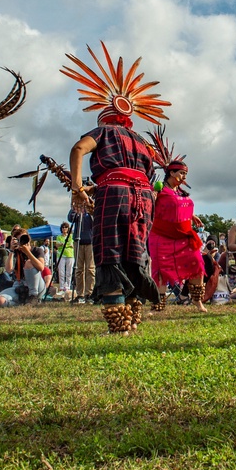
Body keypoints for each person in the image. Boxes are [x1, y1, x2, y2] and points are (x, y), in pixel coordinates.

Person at [64, 42, 166, 335]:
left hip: (116, 196)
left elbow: (78, 148)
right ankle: (132, 319)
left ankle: (118, 323)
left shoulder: (104, 131)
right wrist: (97, 187)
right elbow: (143, 178)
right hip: (143, 198)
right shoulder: (143, 143)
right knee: (135, 253)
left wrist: (76, 187)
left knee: (110, 252)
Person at [147, 158, 207, 313]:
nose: (184, 176)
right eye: (181, 173)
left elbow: (178, 208)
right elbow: (153, 206)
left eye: (186, 173)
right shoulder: (159, 189)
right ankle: (158, 305)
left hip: (183, 236)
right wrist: (152, 194)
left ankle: (197, 301)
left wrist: (192, 216)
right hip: (161, 235)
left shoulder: (179, 192)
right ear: (171, 172)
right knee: (160, 269)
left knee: (197, 262)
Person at [0, 232, 51, 306]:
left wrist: (27, 252)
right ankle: (21, 305)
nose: (23, 241)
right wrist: (11, 251)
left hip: (37, 286)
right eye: (19, 240)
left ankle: (33, 297)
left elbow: (41, 267)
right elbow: (8, 270)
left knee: (29, 263)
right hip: (20, 285)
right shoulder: (16, 252)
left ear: (29, 239)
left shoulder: (37, 250)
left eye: (25, 238)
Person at [68, 209, 95, 304]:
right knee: (79, 269)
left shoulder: (91, 209)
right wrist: (75, 210)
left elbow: (95, 221)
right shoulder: (77, 209)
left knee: (90, 269)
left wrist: (90, 211)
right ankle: (80, 294)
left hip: (90, 241)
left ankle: (89, 293)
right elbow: (70, 218)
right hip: (78, 241)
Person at [54, 222, 75, 296]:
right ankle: (62, 287)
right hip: (61, 255)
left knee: (69, 272)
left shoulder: (71, 236)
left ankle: (68, 286)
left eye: (66, 227)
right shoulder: (59, 236)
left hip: (70, 255)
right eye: (63, 227)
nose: (64, 229)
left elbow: (72, 244)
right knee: (61, 272)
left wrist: (63, 244)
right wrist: (64, 244)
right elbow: (57, 244)